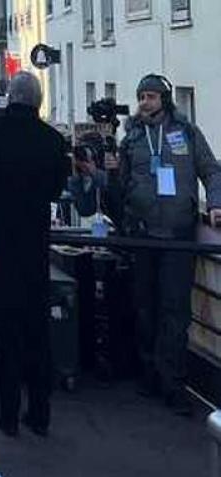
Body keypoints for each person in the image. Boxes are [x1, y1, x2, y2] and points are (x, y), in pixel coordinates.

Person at [0, 71, 70, 437]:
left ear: (10, 99)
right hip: (34, 249)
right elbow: (58, 189)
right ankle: (40, 412)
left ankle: (8, 415)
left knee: (5, 332)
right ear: (38, 102)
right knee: (37, 332)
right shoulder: (52, 141)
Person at [113, 74, 221, 415]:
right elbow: (121, 185)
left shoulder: (186, 133)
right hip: (143, 235)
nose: (145, 103)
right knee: (145, 308)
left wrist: (216, 203)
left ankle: (173, 382)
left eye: (151, 97)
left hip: (177, 237)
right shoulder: (131, 137)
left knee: (174, 312)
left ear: (165, 100)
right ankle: (149, 374)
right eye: (141, 96)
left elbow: (211, 170)